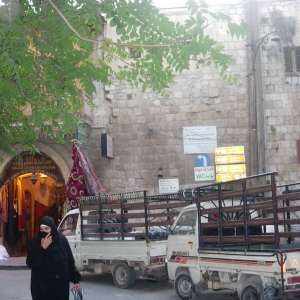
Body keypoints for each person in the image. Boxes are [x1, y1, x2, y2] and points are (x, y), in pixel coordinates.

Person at [26, 216, 81, 300]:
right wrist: (42, 248)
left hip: (60, 287)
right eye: (42, 229)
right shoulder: (35, 242)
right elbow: (31, 263)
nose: (44, 232)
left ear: (52, 228)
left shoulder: (62, 241)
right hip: (41, 287)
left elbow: (70, 261)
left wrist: (75, 280)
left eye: (47, 229)